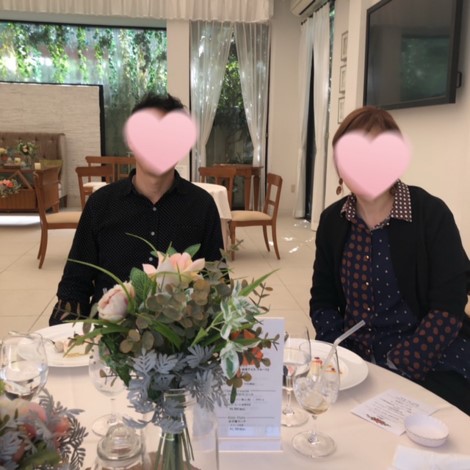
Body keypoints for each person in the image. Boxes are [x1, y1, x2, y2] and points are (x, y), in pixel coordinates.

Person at [309, 106, 470, 415]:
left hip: (429, 358)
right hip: (357, 361)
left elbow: (448, 307)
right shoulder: (332, 221)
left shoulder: (431, 215)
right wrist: (339, 356)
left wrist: (401, 364)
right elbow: (323, 301)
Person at [49, 92, 224, 325]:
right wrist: (63, 335)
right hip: (110, 334)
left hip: (180, 336)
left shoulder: (202, 205)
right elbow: (75, 282)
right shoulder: (101, 204)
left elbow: (217, 281)